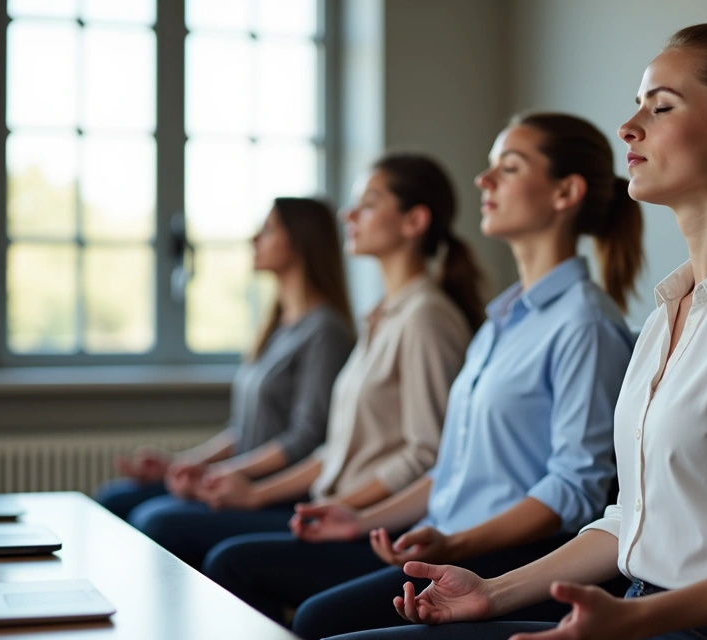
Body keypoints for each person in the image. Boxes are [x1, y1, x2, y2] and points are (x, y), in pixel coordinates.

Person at [363, 19, 707, 640]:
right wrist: (491, 592)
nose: (628, 127)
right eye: (637, 105)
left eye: (661, 107)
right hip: (638, 610)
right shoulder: (667, 315)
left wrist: (636, 617)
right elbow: (633, 520)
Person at [204, 113, 645, 640]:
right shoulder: (500, 322)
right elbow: (448, 469)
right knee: (294, 598)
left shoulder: (585, 325)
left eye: (508, 167)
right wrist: (361, 519)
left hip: (507, 556)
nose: (483, 180)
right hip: (447, 540)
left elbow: (574, 489)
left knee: (316, 616)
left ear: (565, 192)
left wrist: (457, 544)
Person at [126, 154, 482, 569]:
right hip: (333, 506)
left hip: (375, 526)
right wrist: (250, 492)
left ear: (414, 221)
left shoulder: (425, 318)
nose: (349, 214)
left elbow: (427, 456)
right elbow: (331, 451)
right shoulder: (382, 316)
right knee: (159, 519)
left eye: (369, 203)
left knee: (210, 550)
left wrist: (344, 509)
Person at [95, 197, 354, 521]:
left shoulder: (325, 332)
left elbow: (305, 439)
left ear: (301, 240)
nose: (254, 239)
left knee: (156, 520)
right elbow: (244, 431)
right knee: (114, 499)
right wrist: (182, 463)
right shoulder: (277, 327)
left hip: (277, 495)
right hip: (238, 478)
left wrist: (218, 474)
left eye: (268, 230)